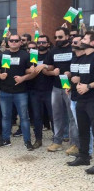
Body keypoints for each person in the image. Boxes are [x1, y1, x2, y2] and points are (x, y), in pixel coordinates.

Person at [0, 34, 34, 150]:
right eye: (11, 40)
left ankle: (27, 141)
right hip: (5, 91)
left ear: (20, 42)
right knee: (5, 117)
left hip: (21, 92)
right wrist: (0, 75)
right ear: (8, 42)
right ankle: (5, 140)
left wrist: (23, 78)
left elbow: (32, 72)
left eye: (16, 40)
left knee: (24, 117)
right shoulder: (2, 55)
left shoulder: (26, 55)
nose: (13, 42)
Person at [44, 27, 78, 152]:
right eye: (56, 37)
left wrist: (72, 72)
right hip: (57, 87)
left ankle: (74, 144)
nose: (58, 39)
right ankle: (57, 141)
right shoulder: (53, 50)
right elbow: (50, 65)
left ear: (68, 36)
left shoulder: (73, 49)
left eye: (60, 37)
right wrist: (50, 70)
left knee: (72, 116)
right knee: (56, 115)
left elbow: (80, 64)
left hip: (70, 88)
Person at [67, 31, 94, 175]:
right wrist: (76, 82)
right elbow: (82, 76)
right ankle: (84, 156)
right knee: (83, 130)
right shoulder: (84, 58)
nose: (81, 40)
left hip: (92, 99)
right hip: (81, 99)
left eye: (84, 38)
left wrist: (88, 86)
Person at [28, 35, 54, 149]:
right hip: (35, 90)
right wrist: (31, 69)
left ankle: (56, 138)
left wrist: (45, 66)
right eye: (39, 42)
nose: (41, 44)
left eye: (44, 42)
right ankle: (38, 139)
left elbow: (54, 67)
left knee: (53, 116)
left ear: (48, 44)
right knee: (37, 116)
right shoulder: (33, 54)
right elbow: (29, 68)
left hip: (49, 90)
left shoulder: (51, 54)